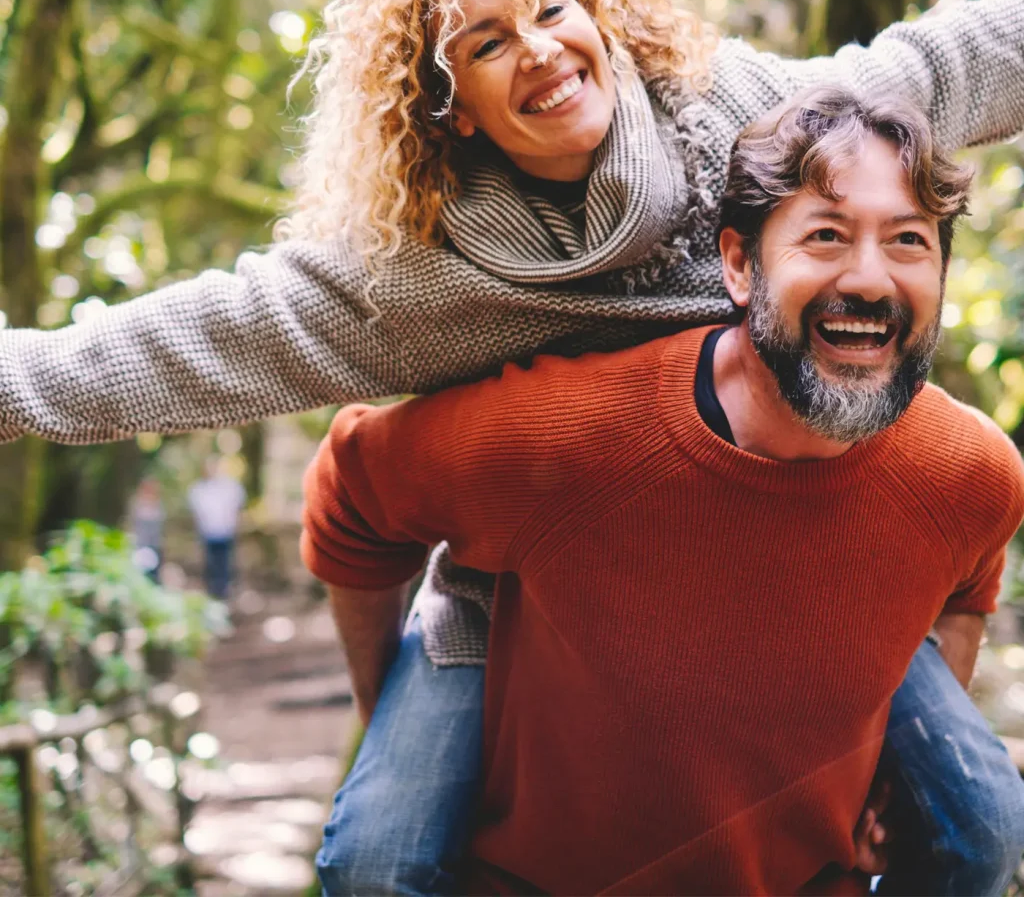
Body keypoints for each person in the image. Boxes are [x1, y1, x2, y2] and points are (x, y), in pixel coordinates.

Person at [0, 0, 1021, 888]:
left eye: (549, 6)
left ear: (601, 15)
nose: (537, 46)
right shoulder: (421, 275)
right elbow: (210, 335)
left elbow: (943, 63)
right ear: (452, 110)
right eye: (485, 42)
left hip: (786, 549)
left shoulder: (736, 121)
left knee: (980, 823)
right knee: (378, 853)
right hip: (521, 574)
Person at [302, 87, 1024, 895]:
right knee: (372, 864)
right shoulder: (567, 438)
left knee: (987, 830)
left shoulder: (971, 473)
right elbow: (351, 490)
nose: (869, 277)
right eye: (825, 235)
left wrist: (894, 774)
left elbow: (969, 583)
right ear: (740, 265)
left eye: (908, 242)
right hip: (536, 871)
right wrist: (384, 713)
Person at [187, 457, 246, 600]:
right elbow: (197, 513)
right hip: (208, 533)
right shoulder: (199, 490)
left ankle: (224, 591)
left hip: (225, 532)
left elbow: (237, 506)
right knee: (210, 563)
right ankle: (212, 592)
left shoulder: (229, 487)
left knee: (225, 563)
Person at [129, 476, 165, 583]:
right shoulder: (137, 505)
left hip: (155, 544)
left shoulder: (158, 505)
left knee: (154, 575)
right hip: (141, 544)